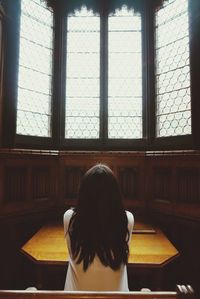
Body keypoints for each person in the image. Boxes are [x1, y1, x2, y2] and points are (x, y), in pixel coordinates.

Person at [63, 164, 134, 291]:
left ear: (83, 192)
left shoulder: (69, 219)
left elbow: (71, 251)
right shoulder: (127, 219)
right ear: (115, 194)